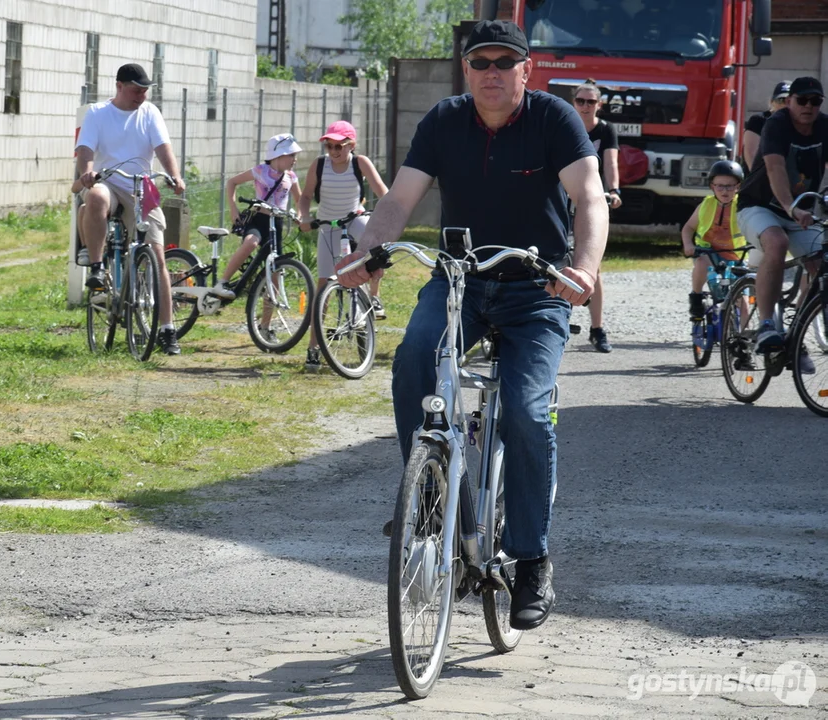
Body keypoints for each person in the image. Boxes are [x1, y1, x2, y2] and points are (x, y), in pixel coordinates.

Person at [338, 20, 608, 632]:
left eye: (503, 62)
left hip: (536, 288)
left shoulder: (554, 120)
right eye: (479, 61)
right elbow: (399, 200)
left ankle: (531, 556)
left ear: (525, 70)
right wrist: (369, 250)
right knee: (411, 362)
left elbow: (589, 198)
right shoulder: (443, 120)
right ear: (466, 70)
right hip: (459, 280)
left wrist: (582, 270)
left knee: (526, 411)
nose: (491, 71)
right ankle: (429, 501)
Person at [72, 63, 187, 355]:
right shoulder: (98, 113)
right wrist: (87, 172)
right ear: (119, 86)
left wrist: (174, 175)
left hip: (141, 185)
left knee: (158, 255)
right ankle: (97, 268)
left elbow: (163, 147)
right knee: (95, 198)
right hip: (108, 180)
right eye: (136, 90)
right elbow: (85, 149)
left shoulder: (150, 113)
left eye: (145, 91)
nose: (141, 96)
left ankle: (167, 329)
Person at [736, 76, 827, 355]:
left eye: (815, 101)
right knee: (777, 243)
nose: (808, 106)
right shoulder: (777, 124)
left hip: (801, 213)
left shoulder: (825, 126)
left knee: (822, 262)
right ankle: (766, 325)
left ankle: (796, 331)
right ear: (788, 102)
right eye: (802, 100)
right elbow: (775, 168)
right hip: (759, 206)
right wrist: (791, 207)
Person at [296, 121, 389, 372]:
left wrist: (388, 214)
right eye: (329, 146)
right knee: (323, 287)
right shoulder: (320, 165)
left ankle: (374, 295)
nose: (333, 151)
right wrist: (303, 216)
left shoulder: (361, 163)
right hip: (328, 225)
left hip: (354, 218)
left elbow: (383, 192)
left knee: (376, 246)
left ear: (351, 145)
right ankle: (314, 349)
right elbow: (305, 196)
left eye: (338, 146)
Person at [209, 133, 304, 344]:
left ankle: (265, 325)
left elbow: (299, 200)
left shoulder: (292, 176)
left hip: (276, 224)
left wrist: (299, 215)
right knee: (251, 243)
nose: (294, 159)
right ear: (278, 155)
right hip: (259, 219)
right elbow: (232, 182)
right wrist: (233, 208)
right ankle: (222, 282)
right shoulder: (261, 170)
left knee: (275, 275)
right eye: (291, 155)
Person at [570, 78, 621, 353]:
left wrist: (613, 190)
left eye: (591, 101)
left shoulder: (606, 130)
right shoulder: (566, 125)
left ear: (599, 105)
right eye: (581, 101)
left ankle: (597, 329)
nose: (586, 106)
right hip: (563, 197)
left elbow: (611, 162)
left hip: (593, 199)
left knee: (593, 266)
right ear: (573, 102)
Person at [680, 160, 745, 318]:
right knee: (701, 264)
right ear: (712, 186)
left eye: (730, 186)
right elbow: (688, 228)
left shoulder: (743, 207)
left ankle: (743, 334)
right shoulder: (706, 205)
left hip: (736, 254)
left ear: (738, 187)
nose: (725, 191)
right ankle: (696, 296)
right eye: (720, 186)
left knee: (742, 297)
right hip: (708, 251)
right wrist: (688, 244)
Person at [742, 81, 790, 170]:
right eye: (781, 100)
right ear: (772, 102)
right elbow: (751, 155)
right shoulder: (759, 121)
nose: (785, 105)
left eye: (790, 101)